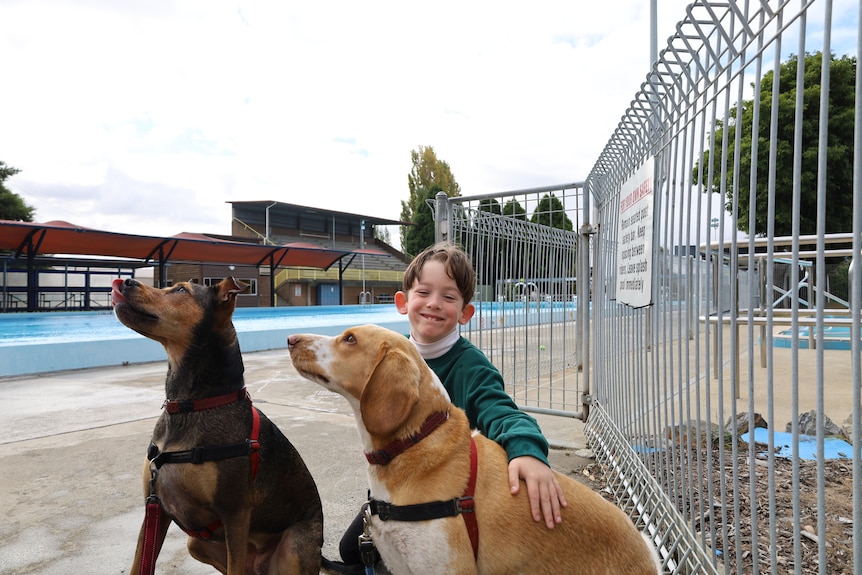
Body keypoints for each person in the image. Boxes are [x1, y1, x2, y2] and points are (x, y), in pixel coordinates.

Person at [339, 242, 567, 565]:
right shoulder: (393, 357)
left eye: (448, 297)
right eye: (423, 292)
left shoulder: (471, 367)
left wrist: (527, 450)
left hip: (450, 497)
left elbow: (500, 411)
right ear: (403, 302)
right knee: (351, 550)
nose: (434, 304)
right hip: (403, 486)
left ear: (464, 313)